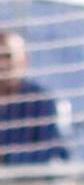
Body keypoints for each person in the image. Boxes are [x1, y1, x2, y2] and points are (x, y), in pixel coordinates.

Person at [0, 30, 71, 165]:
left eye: (8, 56)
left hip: (27, 183)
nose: (2, 64)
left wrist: (7, 158)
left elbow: (55, 153)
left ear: (24, 59)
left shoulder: (39, 101)